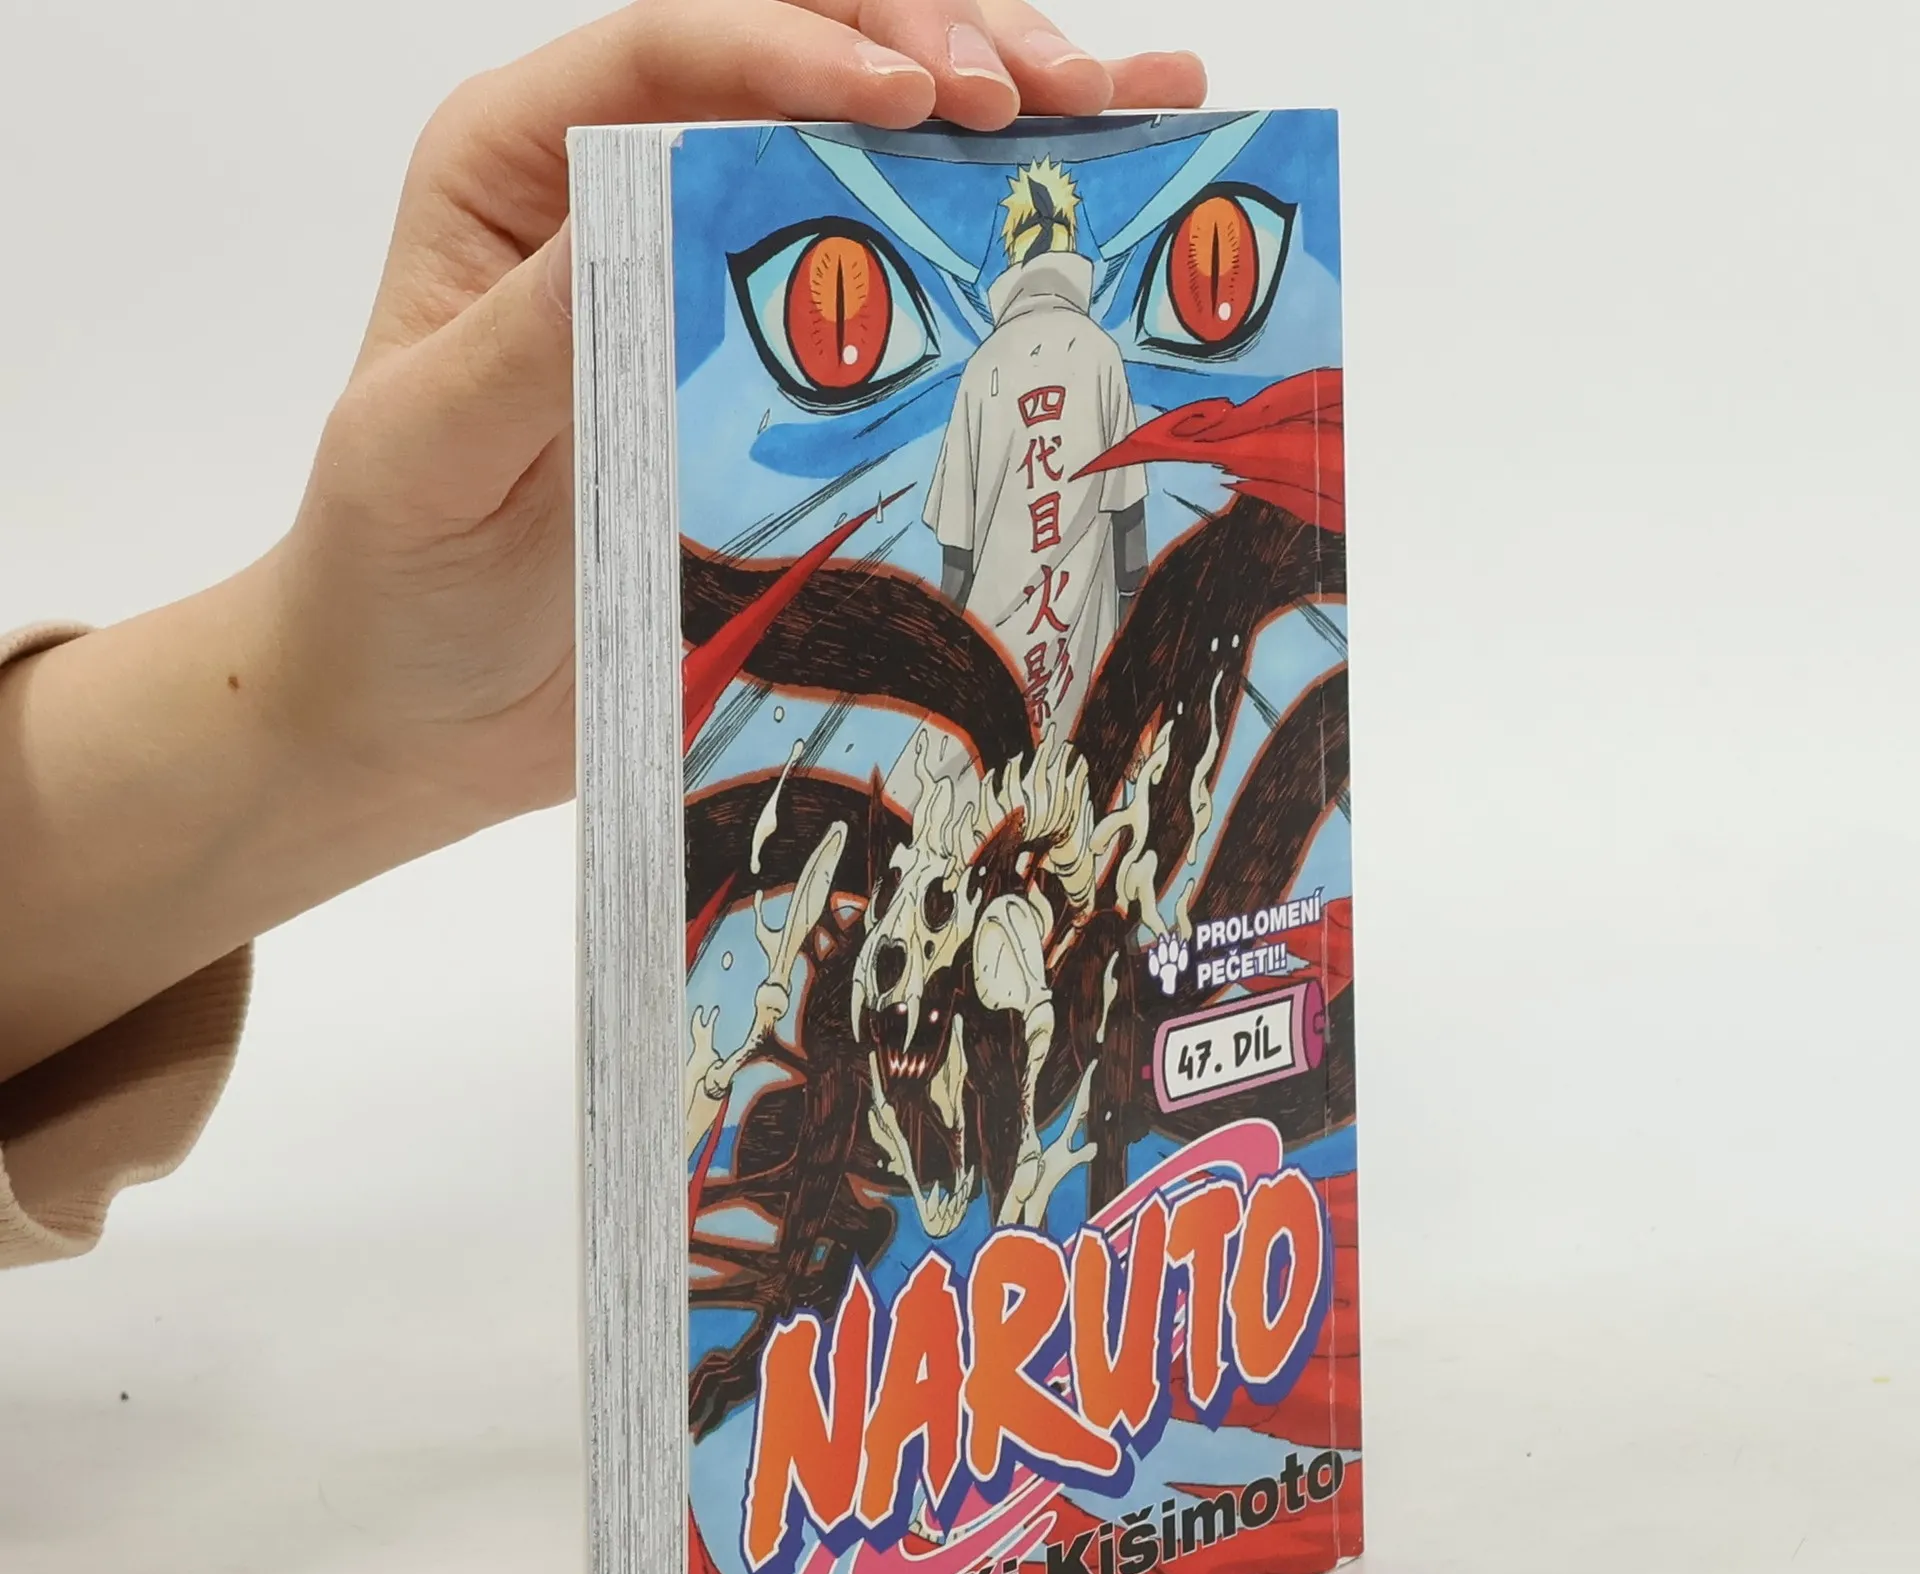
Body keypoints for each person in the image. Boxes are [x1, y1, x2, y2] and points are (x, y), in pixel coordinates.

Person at [0, 0, 1205, 1269]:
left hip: (988, 655)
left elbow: (957, 531)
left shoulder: (990, 371)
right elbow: (1124, 507)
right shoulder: (1101, 358)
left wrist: (335, 720)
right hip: (1072, 651)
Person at [923, 156, 1149, 742]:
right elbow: (1130, 527)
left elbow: (956, 556)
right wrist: (1134, 650)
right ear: (1070, 239)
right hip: (1083, 663)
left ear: (1014, 249)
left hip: (992, 670)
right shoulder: (1101, 356)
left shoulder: (983, 368)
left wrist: (945, 668)